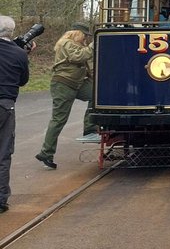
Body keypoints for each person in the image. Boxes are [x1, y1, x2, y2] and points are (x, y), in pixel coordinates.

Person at [35, 25, 99, 169]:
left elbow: (86, 63)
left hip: (77, 84)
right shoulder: (66, 43)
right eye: (85, 35)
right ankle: (46, 153)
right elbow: (79, 57)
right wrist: (94, 44)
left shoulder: (76, 45)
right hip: (63, 84)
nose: (86, 38)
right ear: (77, 33)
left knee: (96, 95)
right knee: (59, 120)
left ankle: (90, 129)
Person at [0, 16, 32, 212]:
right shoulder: (19, 53)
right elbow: (23, 81)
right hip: (5, 105)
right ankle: (0, 199)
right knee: (3, 153)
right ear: (11, 32)